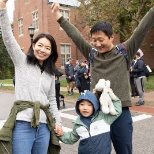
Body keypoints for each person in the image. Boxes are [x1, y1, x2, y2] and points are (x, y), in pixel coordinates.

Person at [51, 3, 154, 154]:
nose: (97, 44)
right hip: (98, 113)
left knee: (124, 150)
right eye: (94, 40)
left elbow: (142, 28)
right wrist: (59, 16)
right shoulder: (92, 54)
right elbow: (75, 36)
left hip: (120, 113)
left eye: (101, 39)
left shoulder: (126, 51)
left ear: (111, 37)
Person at [0, 1, 62, 154]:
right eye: (39, 45)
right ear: (33, 46)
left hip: (44, 127)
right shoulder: (21, 61)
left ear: (51, 52)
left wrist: (58, 123)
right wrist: (2, 8)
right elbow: (8, 38)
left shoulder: (50, 73)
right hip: (23, 124)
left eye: (47, 48)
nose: (43, 50)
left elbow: (52, 100)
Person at [57, 90, 122, 154]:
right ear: (78, 106)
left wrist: (111, 94)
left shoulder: (103, 118)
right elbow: (71, 138)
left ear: (95, 106)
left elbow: (117, 110)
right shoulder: (78, 124)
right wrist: (61, 135)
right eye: (82, 104)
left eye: (89, 105)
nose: (85, 108)